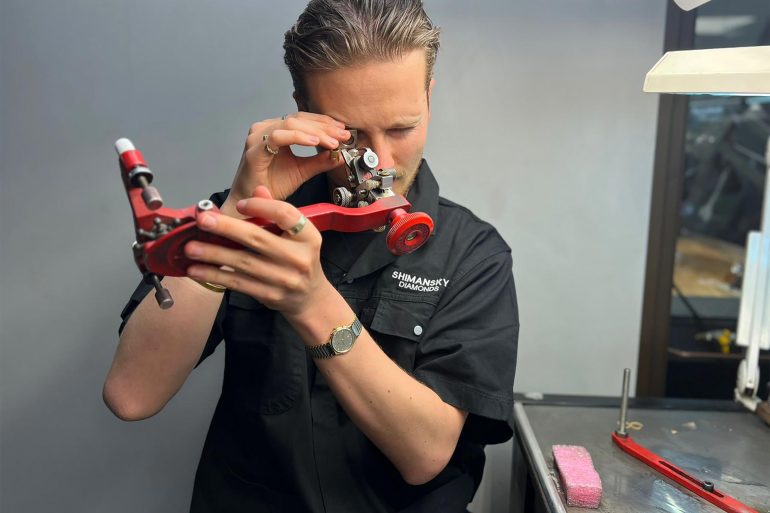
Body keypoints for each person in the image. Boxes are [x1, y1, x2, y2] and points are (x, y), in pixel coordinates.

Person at [104, 1, 519, 512]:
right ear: (303, 108)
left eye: (402, 128)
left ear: (429, 96)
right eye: (353, 134)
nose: (381, 163)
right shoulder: (249, 218)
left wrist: (311, 303)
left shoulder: (475, 254)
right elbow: (131, 395)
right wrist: (237, 213)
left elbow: (425, 455)